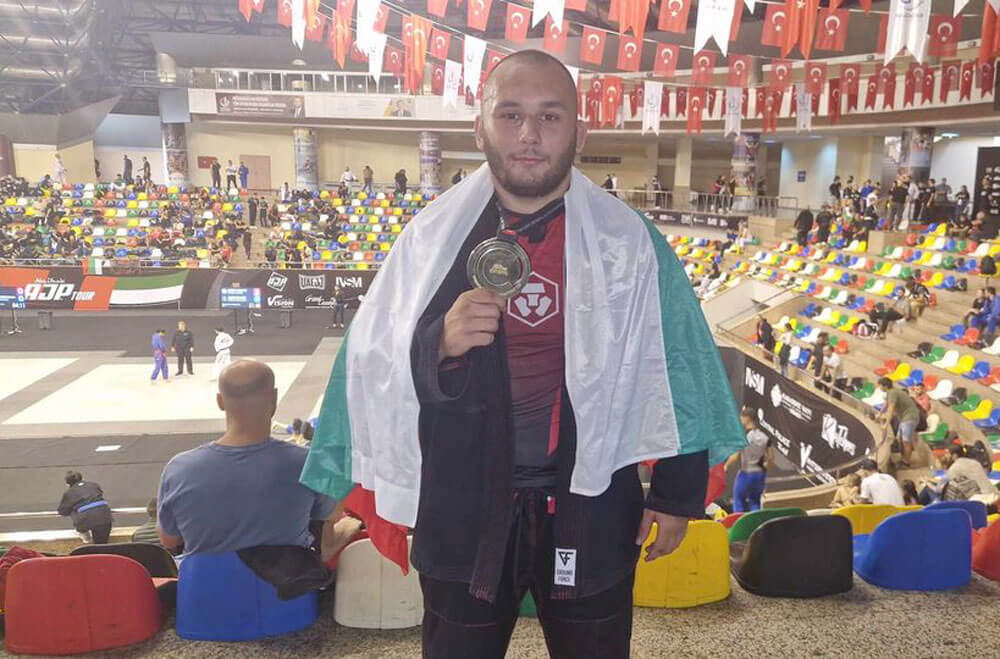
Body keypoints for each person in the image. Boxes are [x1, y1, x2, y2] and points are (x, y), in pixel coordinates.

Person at [300, 49, 744, 659]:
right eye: (510, 115)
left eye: (550, 116)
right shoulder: (429, 242)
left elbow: (678, 367)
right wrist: (438, 343)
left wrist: (673, 493)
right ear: (480, 129)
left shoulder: (629, 244)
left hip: (591, 508)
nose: (529, 134)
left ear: (580, 133)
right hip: (464, 512)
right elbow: (371, 366)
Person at [156, 361, 341, 558]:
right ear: (273, 398)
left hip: (204, 579)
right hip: (287, 577)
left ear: (220, 401)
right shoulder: (309, 464)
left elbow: (169, 540)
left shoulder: (179, 469)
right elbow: (331, 515)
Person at [725, 407, 772, 512]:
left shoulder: (744, 437)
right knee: (755, 502)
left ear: (747, 418)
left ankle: (739, 521)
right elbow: (771, 456)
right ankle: (756, 521)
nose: (740, 420)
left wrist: (726, 466)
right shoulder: (764, 436)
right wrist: (766, 466)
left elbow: (735, 456)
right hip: (759, 475)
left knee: (738, 501)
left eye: (741, 418)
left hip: (746, 474)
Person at [58, 471, 113, 544]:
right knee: (101, 545)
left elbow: (62, 511)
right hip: (104, 516)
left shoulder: (68, 493)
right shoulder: (94, 485)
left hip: (85, 519)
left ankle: (85, 537)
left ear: (67, 484)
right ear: (82, 478)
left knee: (73, 511)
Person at [878, 377, 921, 466]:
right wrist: (880, 413)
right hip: (904, 417)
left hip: (910, 416)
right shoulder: (890, 392)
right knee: (899, 438)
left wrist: (886, 424)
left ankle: (906, 462)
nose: (879, 387)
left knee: (906, 441)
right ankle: (903, 458)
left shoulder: (893, 393)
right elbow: (886, 404)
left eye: (880, 386)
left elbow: (890, 409)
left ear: (885, 386)